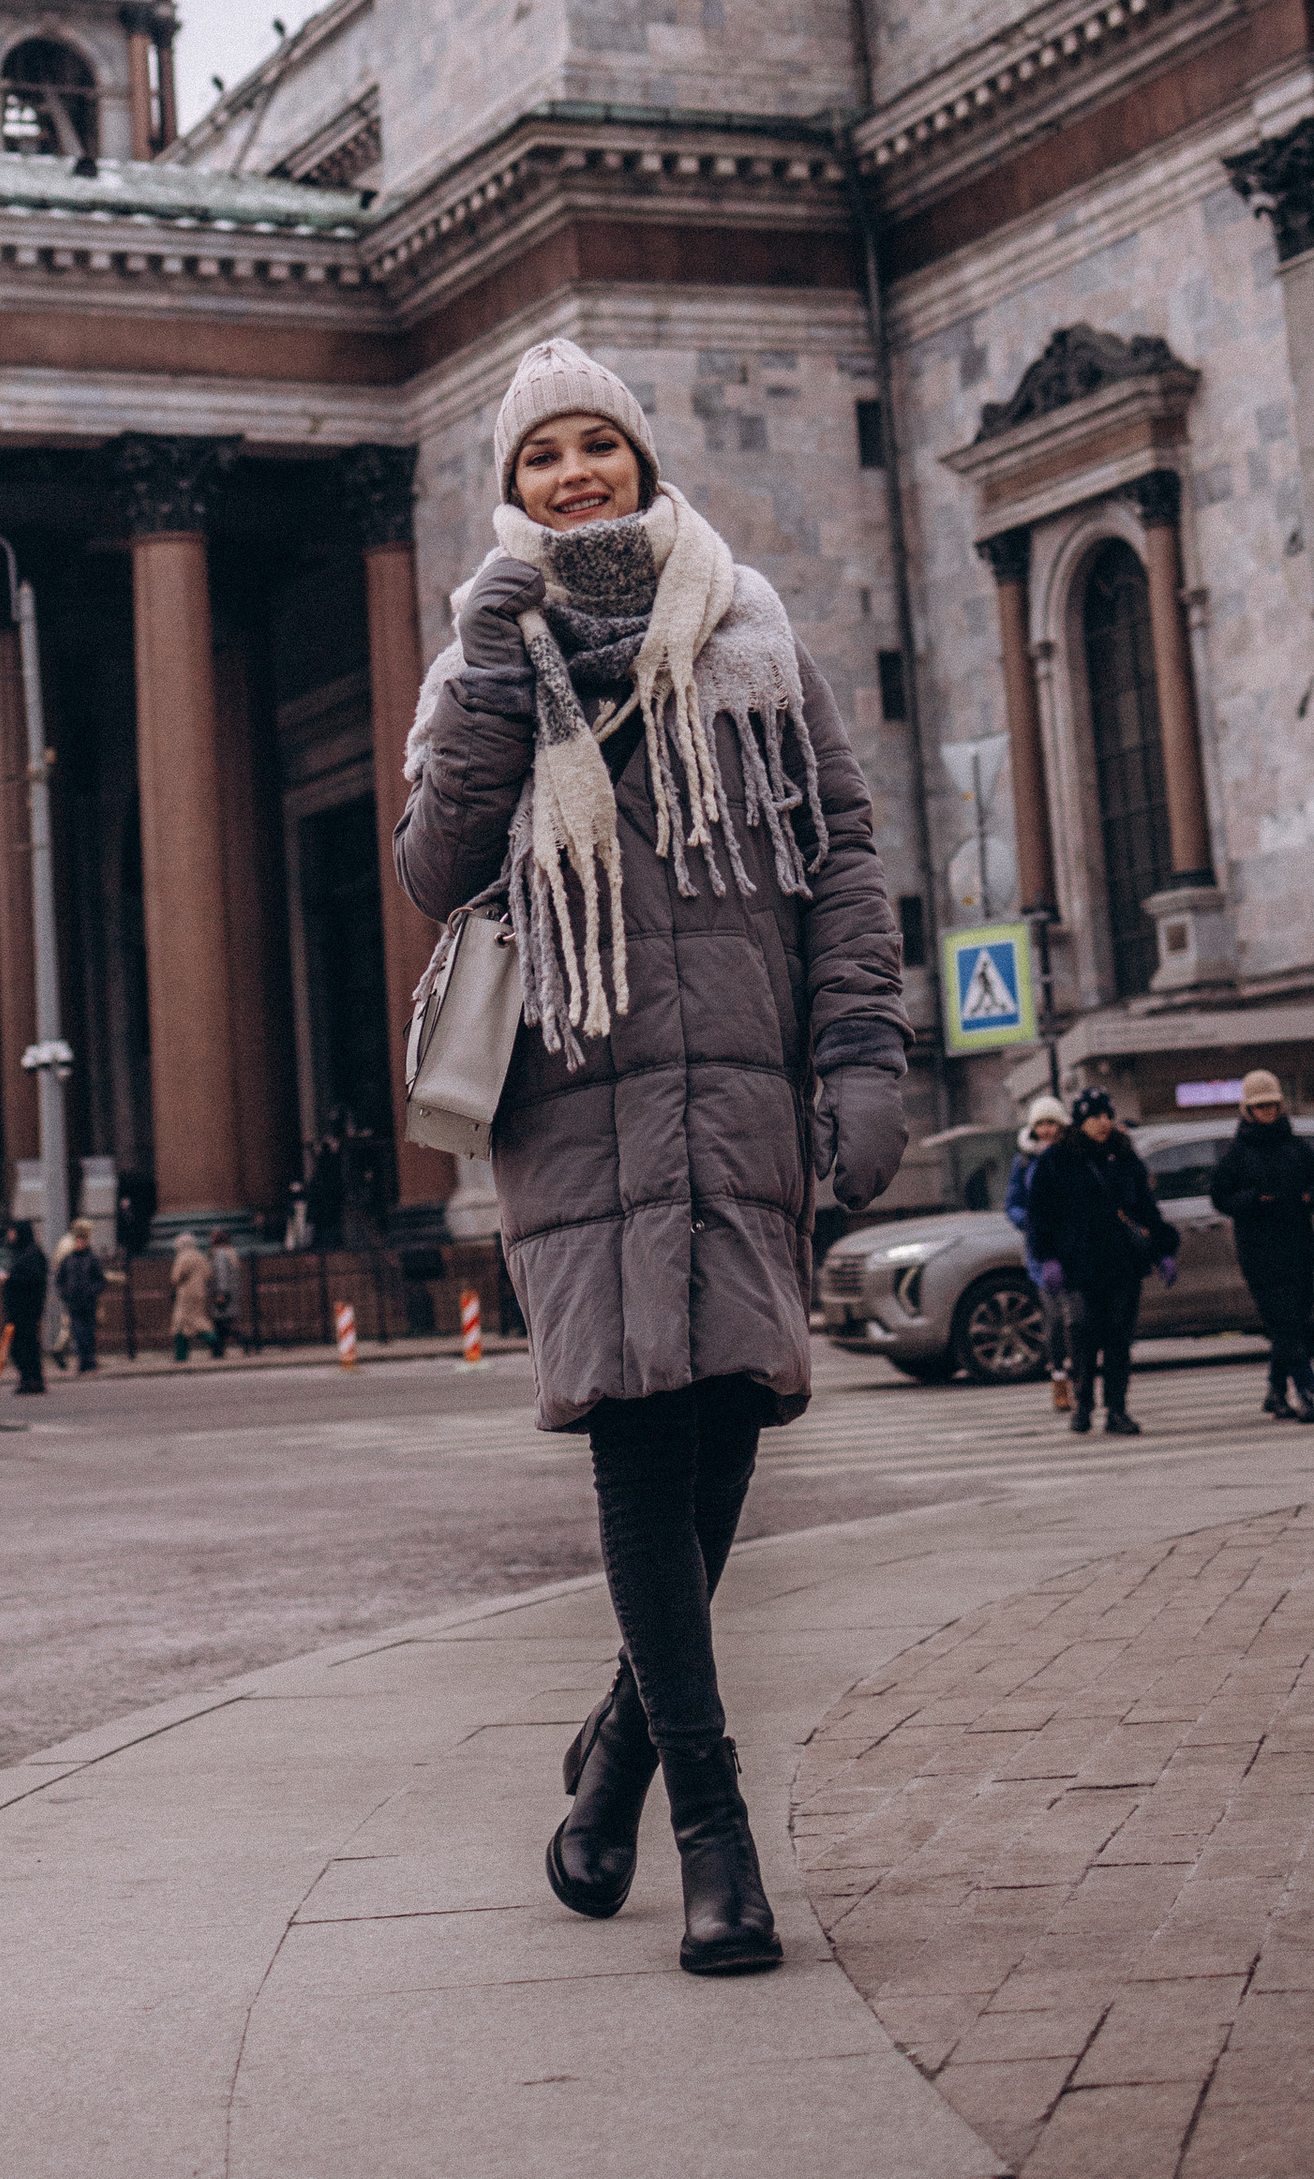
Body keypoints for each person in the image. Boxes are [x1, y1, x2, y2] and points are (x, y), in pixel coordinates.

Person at [396, 335, 907, 1981]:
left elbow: (840, 863)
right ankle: (713, 1828)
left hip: (747, 1099)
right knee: (636, 1441)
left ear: (639, 454)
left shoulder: (756, 637)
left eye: (592, 444)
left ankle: (612, 1763)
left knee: (732, 1427)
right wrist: (489, 667)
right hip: (579, 1103)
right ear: (509, 488)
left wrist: (861, 1047)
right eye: (537, 456)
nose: (570, 475)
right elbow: (435, 865)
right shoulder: (486, 653)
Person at [1026, 1088, 1177, 1435]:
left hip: (1121, 1262)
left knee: (1119, 1339)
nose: (1103, 1123)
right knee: (1083, 1334)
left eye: (1107, 1115)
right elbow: (1040, 1215)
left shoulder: (1124, 1156)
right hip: (1079, 1264)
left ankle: (1117, 1409)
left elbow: (1145, 1207)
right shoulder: (1058, 1160)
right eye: (1095, 1117)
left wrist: (1163, 1249)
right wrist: (1047, 1258)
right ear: (1081, 1120)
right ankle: (1083, 1406)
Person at [1209, 1072, 1314, 1423]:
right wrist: (1254, 1199)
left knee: (1295, 1322)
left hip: (1299, 1245)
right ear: (1248, 1110)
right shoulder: (1238, 1153)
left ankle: (1275, 1390)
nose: (1266, 1111)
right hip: (1259, 1252)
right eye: (1259, 1106)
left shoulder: (1297, 1147)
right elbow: (1220, 1197)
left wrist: (1306, 1197)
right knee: (1284, 1322)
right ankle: (1307, 1391)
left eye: (1270, 1104)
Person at [1006, 1096, 1072, 1413]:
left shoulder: (1072, 1156)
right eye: (1040, 1124)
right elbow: (1013, 1203)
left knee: (1080, 1318)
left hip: (1074, 1247)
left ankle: (1082, 1376)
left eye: (1051, 1123)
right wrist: (1028, 1222)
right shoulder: (1023, 1162)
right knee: (1055, 1318)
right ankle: (1059, 1377)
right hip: (1041, 1251)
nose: (1046, 1130)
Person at [0, 1219, 48, 1395]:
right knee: (20, 1347)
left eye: (13, 1232)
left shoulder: (32, 1253)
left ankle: (33, 1379)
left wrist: (9, 1279)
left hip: (27, 1310)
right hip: (17, 1310)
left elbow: (32, 1279)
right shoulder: (18, 1253)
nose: (10, 1235)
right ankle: (28, 1378)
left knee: (26, 1346)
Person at [55, 1217, 106, 1372]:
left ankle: (88, 1361)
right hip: (73, 1302)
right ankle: (83, 1361)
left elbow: (100, 1279)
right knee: (78, 1333)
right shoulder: (68, 1259)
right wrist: (65, 1294)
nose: (79, 1243)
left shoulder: (91, 1259)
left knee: (88, 1332)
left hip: (88, 1301)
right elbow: (60, 1279)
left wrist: (92, 1291)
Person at [168, 1232, 214, 1366]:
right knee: (198, 1318)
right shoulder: (200, 1256)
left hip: (186, 1294)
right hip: (200, 1292)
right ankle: (215, 1342)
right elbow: (208, 1274)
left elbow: (175, 1278)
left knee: (180, 1322)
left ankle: (181, 1355)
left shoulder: (183, 1257)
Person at [207, 1227, 242, 1361]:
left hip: (221, 1293)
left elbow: (222, 1275)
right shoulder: (230, 1252)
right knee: (224, 1323)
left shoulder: (220, 1253)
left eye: (213, 1236)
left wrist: (221, 1293)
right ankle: (219, 1351)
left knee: (221, 1324)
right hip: (230, 1293)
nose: (210, 1238)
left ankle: (219, 1350)